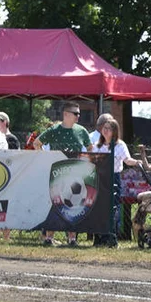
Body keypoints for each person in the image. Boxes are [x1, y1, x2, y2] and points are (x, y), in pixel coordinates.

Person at [32, 103, 92, 246]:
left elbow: (90, 148)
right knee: (56, 203)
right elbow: (36, 143)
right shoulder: (54, 130)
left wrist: (85, 161)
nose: (79, 116)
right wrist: (47, 159)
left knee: (74, 204)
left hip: (75, 173)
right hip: (58, 173)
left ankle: (72, 238)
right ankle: (49, 237)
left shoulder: (81, 131)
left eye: (79, 113)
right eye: (75, 113)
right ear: (66, 114)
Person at [94, 120, 143, 247]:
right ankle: (99, 239)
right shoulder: (98, 146)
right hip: (100, 178)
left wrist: (136, 162)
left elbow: (127, 160)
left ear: (115, 131)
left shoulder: (120, 145)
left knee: (113, 209)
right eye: (104, 128)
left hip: (114, 177)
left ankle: (111, 238)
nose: (105, 130)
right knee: (99, 209)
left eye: (109, 128)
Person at [0, 112, 18, 243]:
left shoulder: (11, 138)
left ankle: (6, 237)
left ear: (5, 122)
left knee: (8, 207)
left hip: (9, 179)